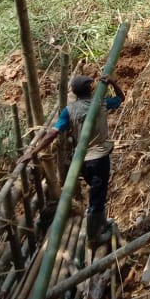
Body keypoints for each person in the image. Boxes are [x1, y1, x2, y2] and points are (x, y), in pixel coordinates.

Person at [18, 73, 126, 246]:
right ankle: (93, 238)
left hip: (82, 161)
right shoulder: (100, 103)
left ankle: (102, 223)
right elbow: (121, 98)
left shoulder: (69, 111)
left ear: (75, 94)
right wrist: (112, 81)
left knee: (97, 192)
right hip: (99, 158)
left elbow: (52, 134)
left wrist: (34, 151)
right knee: (97, 197)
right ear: (90, 89)